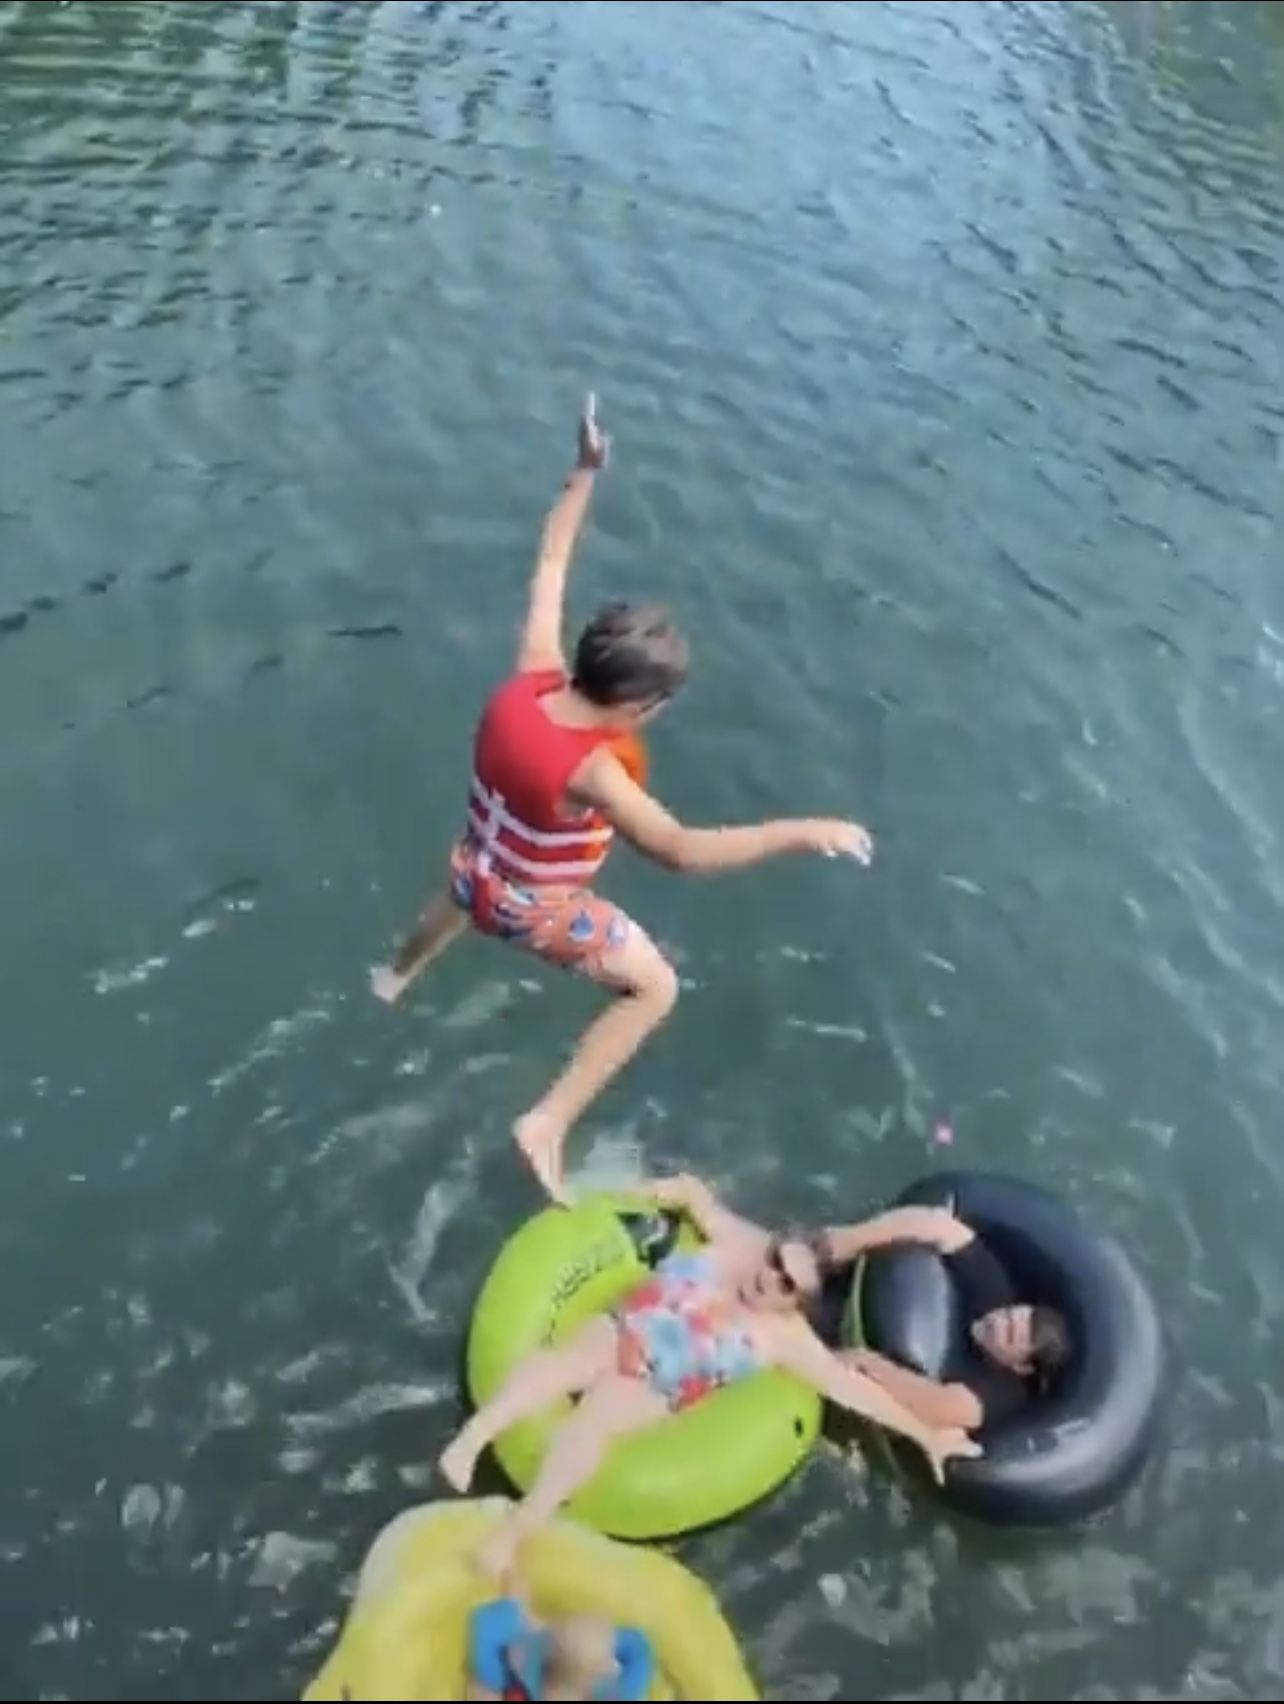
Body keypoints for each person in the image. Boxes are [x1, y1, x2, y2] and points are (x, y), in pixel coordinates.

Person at [371, 396, 873, 1198]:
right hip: (533, 905)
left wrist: (583, 474)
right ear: (638, 709)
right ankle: (547, 1122)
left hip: (475, 865)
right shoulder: (595, 772)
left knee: (462, 890)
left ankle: (394, 976)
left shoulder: (528, 680)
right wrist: (805, 829)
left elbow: (549, 566)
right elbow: (683, 851)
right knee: (655, 988)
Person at [438, 1172, 980, 1577]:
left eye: (785, 1283)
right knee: (569, 1362)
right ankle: (474, 1437)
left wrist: (926, 1434)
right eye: (775, 1262)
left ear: (800, 1301)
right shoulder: (739, 1245)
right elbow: (697, 1196)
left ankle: (518, 1533)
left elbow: (856, 1391)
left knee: (592, 1426)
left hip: (662, 1381)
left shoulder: (789, 1342)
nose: (769, 1277)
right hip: (634, 1322)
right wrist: (658, 1190)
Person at [816, 1202, 1072, 1429]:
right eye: (1008, 1315)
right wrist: (853, 1239)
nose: (996, 1321)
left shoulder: (1001, 1392)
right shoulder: (994, 1290)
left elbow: (941, 1407)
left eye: (1008, 1335)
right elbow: (937, 1224)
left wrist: (866, 1363)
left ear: (1020, 1367)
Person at [466, 1585, 653, 1701]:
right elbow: (639, 1648)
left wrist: (511, 1606)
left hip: (520, 1684)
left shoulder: (525, 1658)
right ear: (610, 1668)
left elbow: (490, 1630)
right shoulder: (613, 1691)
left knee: (483, 1685)